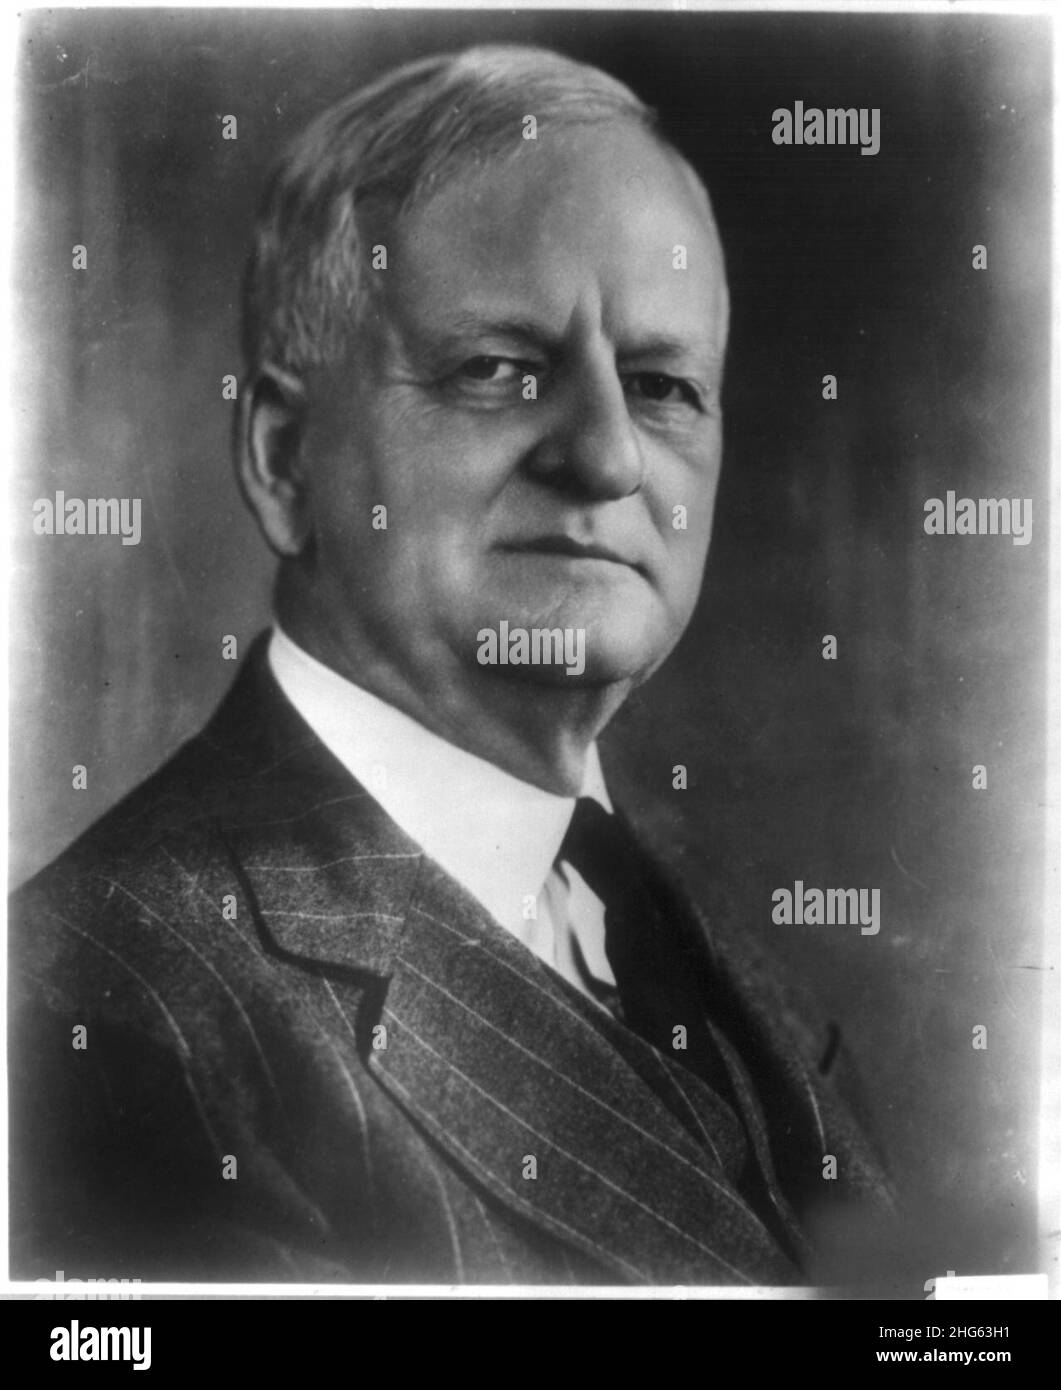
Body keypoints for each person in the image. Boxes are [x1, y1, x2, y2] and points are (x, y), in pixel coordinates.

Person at [9, 44, 894, 1286]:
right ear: (281, 458)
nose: (607, 458)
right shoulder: (99, 1009)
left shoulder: (678, 934)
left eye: (659, 384)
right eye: (496, 370)